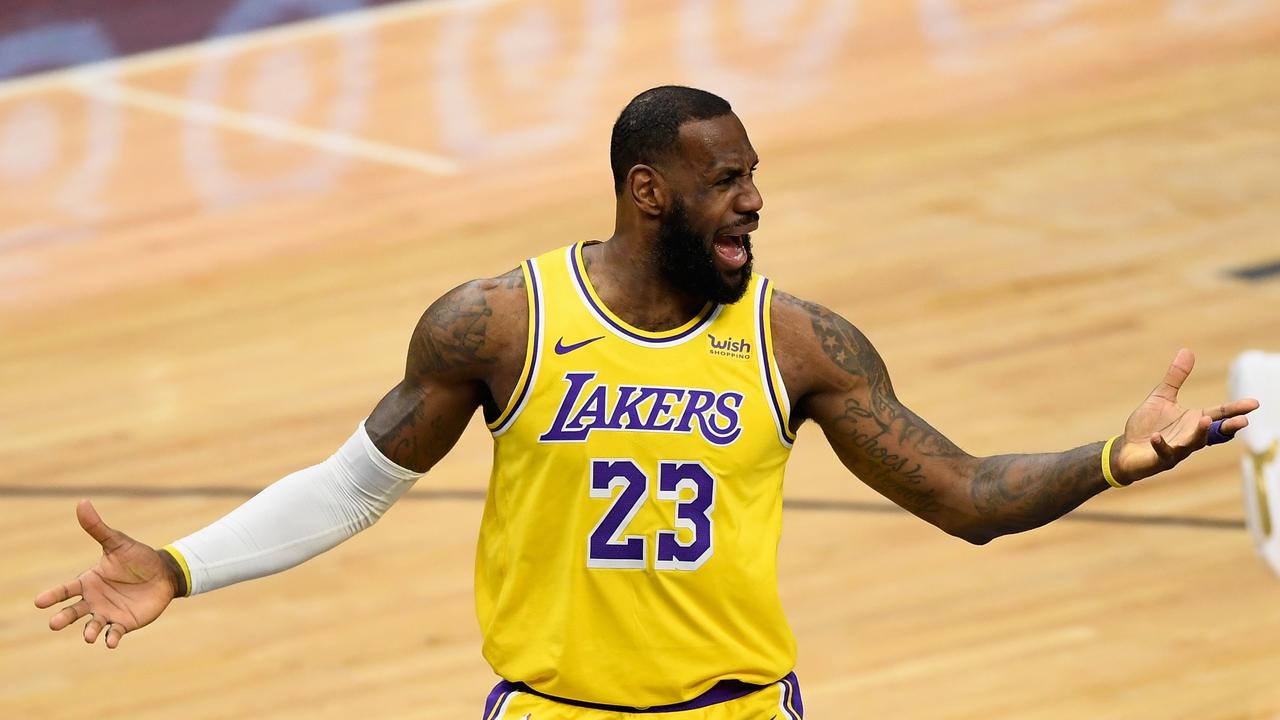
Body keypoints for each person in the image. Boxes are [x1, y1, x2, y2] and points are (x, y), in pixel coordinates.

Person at [35, 86, 1259, 719]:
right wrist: (182, 566)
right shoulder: (499, 323)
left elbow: (967, 497)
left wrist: (1110, 457)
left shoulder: (796, 342)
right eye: (725, 182)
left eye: (756, 181)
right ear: (647, 191)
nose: (753, 203)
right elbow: (354, 486)